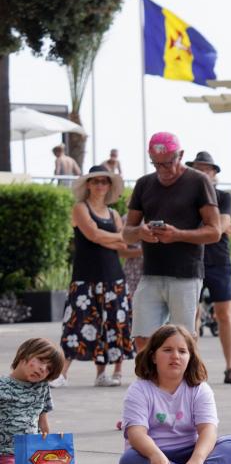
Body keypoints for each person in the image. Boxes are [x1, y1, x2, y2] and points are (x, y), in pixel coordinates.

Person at [119, 325, 231, 464]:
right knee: (129, 463)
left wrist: (197, 460)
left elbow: (208, 430)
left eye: (182, 351)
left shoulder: (200, 389)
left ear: (190, 357)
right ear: (153, 356)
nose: (175, 356)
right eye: (167, 350)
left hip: (190, 452)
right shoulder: (139, 390)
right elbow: (136, 434)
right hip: (151, 456)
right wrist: (155, 455)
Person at [122, 132, 221, 350]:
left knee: (182, 341)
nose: (163, 170)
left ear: (181, 155)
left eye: (168, 163)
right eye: (156, 164)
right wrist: (141, 232)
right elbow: (126, 233)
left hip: (185, 274)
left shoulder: (198, 181)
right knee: (141, 337)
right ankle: (148, 384)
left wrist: (178, 235)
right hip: (151, 273)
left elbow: (215, 231)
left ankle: (186, 383)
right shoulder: (144, 184)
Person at [57, 166, 135, 388]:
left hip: (113, 277)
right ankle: (61, 373)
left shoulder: (113, 214)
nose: (100, 185)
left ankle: (104, 373)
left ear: (109, 186)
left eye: (104, 181)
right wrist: (113, 237)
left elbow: (124, 243)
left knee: (113, 324)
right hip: (85, 276)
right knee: (76, 323)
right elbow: (92, 234)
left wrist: (106, 238)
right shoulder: (80, 208)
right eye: (96, 181)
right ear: (88, 185)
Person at [1, 339, 97, 464]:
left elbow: (43, 424)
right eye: (40, 360)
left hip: (35, 455)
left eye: (48, 369)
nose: (42, 369)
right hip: (5, 457)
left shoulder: (42, 388)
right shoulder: (2, 386)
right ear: (24, 354)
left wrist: (51, 447)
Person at [187, 152, 231, 385]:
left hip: (218, 260)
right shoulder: (186, 197)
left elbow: (219, 228)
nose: (203, 173)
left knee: (225, 313)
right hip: (191, 259)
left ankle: (230, 367)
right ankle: (192, 367)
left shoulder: (223, 197)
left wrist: (211, 227)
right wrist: (215, 227)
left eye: (207, 169)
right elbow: (218, 227)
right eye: (198, 168)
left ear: (214, 173)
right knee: (192, 315)